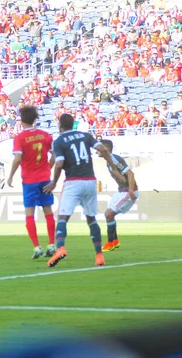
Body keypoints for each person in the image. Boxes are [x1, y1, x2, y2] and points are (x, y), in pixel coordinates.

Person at [43, 114, 122, 268]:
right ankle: (99, 255)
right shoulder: (86, 136)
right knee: (91, 219)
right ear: (73, 124)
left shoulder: (58, 141)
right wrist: (113, 166)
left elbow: (59, 164)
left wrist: (53, 182)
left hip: (73, 181)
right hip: (90, 181)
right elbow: (102, 149)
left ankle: (60, 248)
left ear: (60, 126)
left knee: (62, 218)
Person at [7, 106, 57, 259]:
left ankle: (37, 247)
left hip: (29, 180)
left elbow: (17, 159)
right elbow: (54, 155)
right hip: (44, 178)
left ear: (21, 120)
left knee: (30, 213)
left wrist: (10, 176)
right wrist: (47, 168)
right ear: (35, 119)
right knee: (47, 210)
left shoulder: (20, 138)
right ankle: (51, 243)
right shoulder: (45, 135)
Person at [98, 140, 138, 252]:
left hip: (128, 191)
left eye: (99, 147)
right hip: (121, 190)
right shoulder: (109, 161)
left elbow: (130, 173)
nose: (97, 150)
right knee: (108, 215)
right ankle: (115, 241)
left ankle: (110, 243)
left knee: (109, 214)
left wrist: (131, 190)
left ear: (105, 149)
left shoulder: (114, 159)